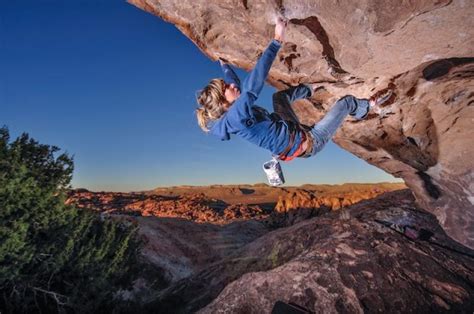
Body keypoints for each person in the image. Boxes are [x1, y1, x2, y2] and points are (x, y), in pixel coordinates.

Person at [196, 17, 392, 163]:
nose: (231, 85)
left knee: (279, 97)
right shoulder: (236, 117)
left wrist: (223, 64)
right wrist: (277, 40)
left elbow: (235, 83)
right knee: (346, 102)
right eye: (226, 88)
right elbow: (251, 86)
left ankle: (310, 89)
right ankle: (369, 107)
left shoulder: (231, 110)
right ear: (223, 102)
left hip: (290, 127)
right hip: (310, 141)